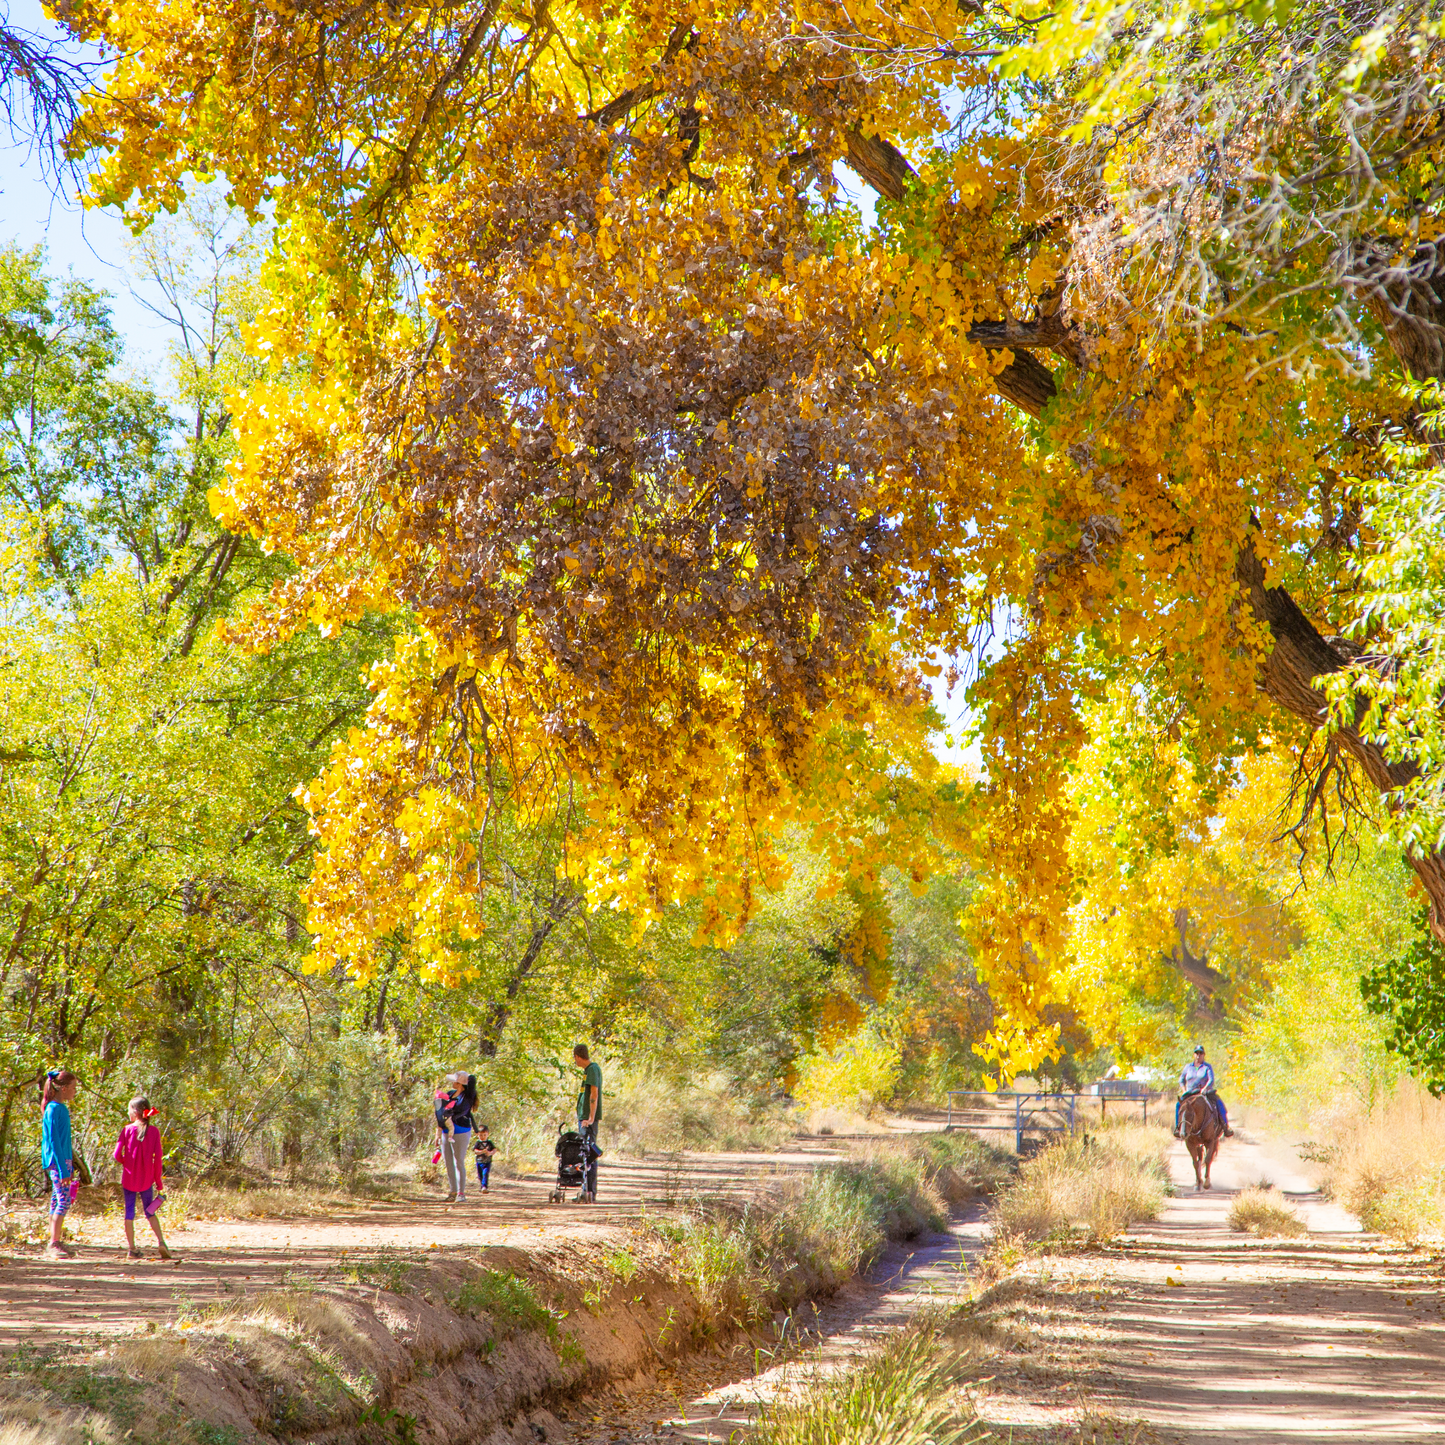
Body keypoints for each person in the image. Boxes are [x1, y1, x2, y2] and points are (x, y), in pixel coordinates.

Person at [113, 1096, 172, 1260]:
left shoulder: (127, 1130)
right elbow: (158, 1159)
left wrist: (128, 1163)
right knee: (149, 1210)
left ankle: (132, 1248)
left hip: (129, 1178)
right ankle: (161, 1242)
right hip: (147, 1180)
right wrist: (158, 1182)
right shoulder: (154, 1132)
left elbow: (117, 1155)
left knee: (129, 1212)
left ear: (135, 1112)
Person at [40, 1069, 79, 1259]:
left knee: (58, 1199)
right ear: (63, 1088)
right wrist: (63, 1168)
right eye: (73, 1087)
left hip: (62, 1161)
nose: (74, 1091)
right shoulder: (55, 1109)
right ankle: (53, 1243)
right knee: (64, 1200)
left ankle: (55, 1240)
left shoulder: (57, 1108)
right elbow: (54, 1140)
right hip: (58, 1162)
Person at [1174, 1044, 1233, 1138]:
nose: (1198, 1055)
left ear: (1204, 1054)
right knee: (1178, 1105)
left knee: (1218, 1102)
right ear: (1194, 1055)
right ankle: (1178, 1128)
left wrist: (1204, 1089)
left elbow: (1211, 1079)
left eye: (1200, 1053)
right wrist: (1184, 1089)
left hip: (1204, 1092)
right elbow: (1181, 1079)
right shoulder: (1188, 1067)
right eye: (1196, 1053)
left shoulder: (1207, 1067)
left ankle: (1225, 1126)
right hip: (1189, 1093)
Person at [441, 1073, 477, 1203]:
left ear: (460, 1084)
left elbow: (460, 1110)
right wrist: (438, 1131)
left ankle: (461, 1193)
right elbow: (439, 1111)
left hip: (461, 1131)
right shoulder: (450, 1094)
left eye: (455, 1081)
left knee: (459, 1161)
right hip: (446, 1131)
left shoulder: (466, 1098)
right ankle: (453, 1191)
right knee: (448, 1162)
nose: (452, 1083)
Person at [573, 1043, 602, 1203]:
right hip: (584, 1117)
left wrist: (590, 1118)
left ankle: (589, 1192)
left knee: (588, 1154)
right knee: (585, 1154)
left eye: (575, 1058)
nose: (575, 1061)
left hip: (587, 1119)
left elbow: (594, 1093)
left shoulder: (592, 1069)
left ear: (578, 1056)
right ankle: (586, 1191)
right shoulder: (588, 1071)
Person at [473, 1124, 497, 1192]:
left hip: (487, 1162)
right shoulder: (478, 1143)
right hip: (479, 1161)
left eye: (484, 1135)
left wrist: (490, 1153)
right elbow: (475, 1151)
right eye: (480, 1135)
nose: (482, 1137)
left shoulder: (489, 1143)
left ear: (487, 1134)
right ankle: (482, 1185)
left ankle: (484, 1186)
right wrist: (481, 1152)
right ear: (478, 1135)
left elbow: (494, 1149)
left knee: (485, 1173)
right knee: (480, 1175)